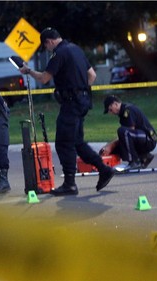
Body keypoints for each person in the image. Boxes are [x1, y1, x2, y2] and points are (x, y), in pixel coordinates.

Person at [18, 27, 115, 196]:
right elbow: (91, 75)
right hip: (82, 101)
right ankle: (104, 169)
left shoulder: (59, 53)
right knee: (77, 142)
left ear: (49, 42)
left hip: (71, 104)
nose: (48, 50)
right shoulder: (76, 49)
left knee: (64, 143)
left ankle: (70, 184)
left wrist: (28, 71)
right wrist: (81, 90)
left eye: (46, 47)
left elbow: (44, 78)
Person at [101, 95, 157, 170]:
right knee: (116, 147)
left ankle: (134, 162)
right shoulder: (122, 114)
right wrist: (108, 147)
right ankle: (144, 156)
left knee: (122, 132)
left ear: (115, 104)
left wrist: (111, 145)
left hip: (149, 138)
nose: (111, 113)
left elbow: (128, 132)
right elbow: (125, 138)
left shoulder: (128, 110)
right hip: (140, 138)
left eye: (110, 110)